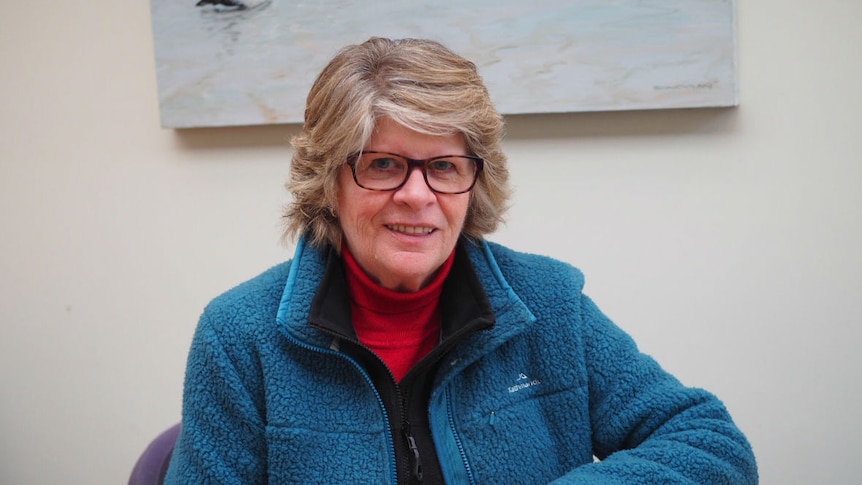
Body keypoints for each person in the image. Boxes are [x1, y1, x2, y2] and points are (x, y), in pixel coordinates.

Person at [165, 37, 757, 484]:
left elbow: (710, 443)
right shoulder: (240, 336)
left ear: (475, 183)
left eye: (444, 166)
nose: (417, 195)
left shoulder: (547, 304)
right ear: (329, 184)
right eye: (382, 164)